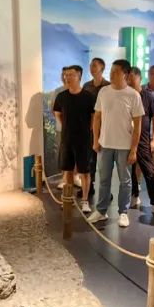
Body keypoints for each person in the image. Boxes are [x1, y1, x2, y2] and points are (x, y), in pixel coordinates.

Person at [86, 59, 143, 228]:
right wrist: (95, 140)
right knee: (103, 179)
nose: (111, 74)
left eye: (116, 71)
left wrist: (134, 149)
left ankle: (123, 212)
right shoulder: (104, 92)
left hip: (124, 145)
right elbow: (97, 118)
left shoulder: (133, 95)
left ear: (125, 74)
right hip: (105, 144)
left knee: (125, 181)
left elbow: (138, 125)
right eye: (111, 71)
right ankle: (101, 210)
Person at [52, 65, 95, 213]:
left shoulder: (88, 97)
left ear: (79, 76)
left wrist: (89, 129)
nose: (68, 77)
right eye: (66, 75)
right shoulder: (61, 96)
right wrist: (65, 125)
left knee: (84, 171)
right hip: (67, 139)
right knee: (68, 170)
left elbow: (94, 116)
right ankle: (68, 198)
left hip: (84, 140)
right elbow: (57, 112)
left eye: (71, 75)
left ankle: (85, 200)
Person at [128, 67, 154, 219]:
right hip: (126, 139)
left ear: (139, 78)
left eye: (132, 79)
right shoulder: (124, 95)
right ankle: (134, 195)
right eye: (127, 79)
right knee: (130, 171)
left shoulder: (147, 96)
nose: (129, 82)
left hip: (143, 140)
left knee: (149, 171)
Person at [82, 57, 110, 203]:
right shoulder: (86, 86)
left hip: (105, 128)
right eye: (91, 65)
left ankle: (106, 191)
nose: (92, 68)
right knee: (90, 159)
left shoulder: (108, 86)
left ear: (102, 68)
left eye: (94, 65)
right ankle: (90, 186)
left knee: (105, 161)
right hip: (90, 128)